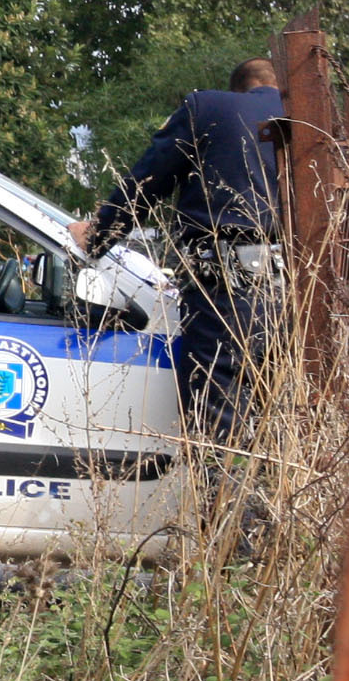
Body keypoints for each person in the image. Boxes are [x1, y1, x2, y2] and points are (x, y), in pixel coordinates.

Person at [87, 57, 286, 452]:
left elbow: (147, 182)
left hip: (227, 290)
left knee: (219, 421)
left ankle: (224, 513)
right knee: (279, 421)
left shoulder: (209, 107)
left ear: (238, 88)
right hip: (295, 290)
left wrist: (97, 236)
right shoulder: (308, 119)